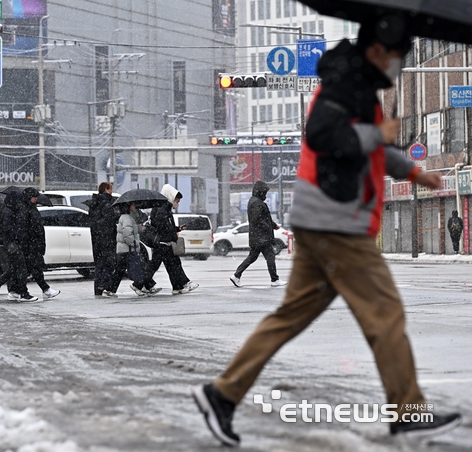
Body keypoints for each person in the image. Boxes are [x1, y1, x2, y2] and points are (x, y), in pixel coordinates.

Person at [192, 16, 461, 447]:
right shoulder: (346, 84)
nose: (399, 65)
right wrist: (379, 133)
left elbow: (370, 147)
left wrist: (413, 171)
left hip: (322, 223)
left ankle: (221, 394)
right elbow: (323, 135)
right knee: (385, 315)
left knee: (289, 318)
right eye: (398, 56)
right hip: (338, 225)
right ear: (378, 50)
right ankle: (407, 412)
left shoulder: (356, 86)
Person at [0, 190, 38, 303]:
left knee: (8, 268)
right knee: (14, 268)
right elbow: (8, 229)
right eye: (18, 200)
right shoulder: (7, 212)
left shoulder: (7, 210)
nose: (20, 203)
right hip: (6, 244)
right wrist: (21, 235)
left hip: (5, 243)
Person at [229, 180, 286, 288]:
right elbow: (259, 220)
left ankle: (236, 275)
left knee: (252, 257)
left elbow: (263, 219)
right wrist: (269, 227)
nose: (265, 195)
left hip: (257, 237)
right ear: (260, 192)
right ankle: (274, 279)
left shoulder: (254, 201)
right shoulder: (257, 203)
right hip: (262, 237)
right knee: (270, 257)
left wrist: (274, 225)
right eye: (264, 192)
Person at [148, 184, 198, 295]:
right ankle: (139, 284)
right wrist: (172, 231)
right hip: (162, 243)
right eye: (177, 201)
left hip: (165, 242)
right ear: (170, 197)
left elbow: (166, 225)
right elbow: (163, 226)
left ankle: (179, 286)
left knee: (172, 265)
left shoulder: (164, 208)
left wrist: (178, 228)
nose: (177, 203)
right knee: (167, 265)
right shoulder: (162, 209)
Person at [15, 187, 60, 299]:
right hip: (31, 245)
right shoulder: (25, 210)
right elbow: (27, 227)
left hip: (34, 244)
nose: (36, 199)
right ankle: (42, 289)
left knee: (32, 269)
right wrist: (32, 239)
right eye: (34, 197)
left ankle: (18, 290)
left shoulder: (31, 209)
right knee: (32, 269)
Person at [108, 202, 155, 297]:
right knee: (138, 267)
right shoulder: (127, 218)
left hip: (124, 249)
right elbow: (127, 233)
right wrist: (133, 243)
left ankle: (109, 290)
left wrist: (139, 228)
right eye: (133, 205)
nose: (135, 206)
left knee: (120, 271)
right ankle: (138, 286)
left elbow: (129, 229)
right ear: (128, 207)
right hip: (128, 249)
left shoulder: (126, 217)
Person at [88, 182, 120, 298]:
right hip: (107, 238)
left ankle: (97, 289)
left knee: (99, 265)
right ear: (106, 190)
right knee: (110, 263)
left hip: (96, 238)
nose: (111, 191)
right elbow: (109, 219)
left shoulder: (93, 204)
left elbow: (94, 221)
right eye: (110, 189)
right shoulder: (106, 204)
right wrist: (118, 215)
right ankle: (103, 285)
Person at [131, 208, 162, 295]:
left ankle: (147, 285)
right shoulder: (127, 215)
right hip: (133, 243)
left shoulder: (138, 212)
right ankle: (138, 285)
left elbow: (143, 219)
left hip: (139, 241)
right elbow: (129, 228)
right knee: (142, 265)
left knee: (145, 265)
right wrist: (140, 227)